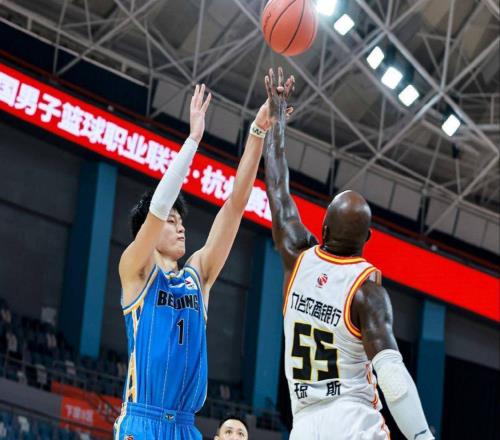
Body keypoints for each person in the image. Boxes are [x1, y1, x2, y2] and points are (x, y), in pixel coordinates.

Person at [263, 67, 434, 440]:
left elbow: (277, 186)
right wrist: (422, 436)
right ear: (367, 239)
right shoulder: (367, 293)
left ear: (323, 228)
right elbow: (392, 378)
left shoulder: (296, 254)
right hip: (353, 421)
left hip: (304, 425)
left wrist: (277, 121)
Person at [113, 83, 272, 439]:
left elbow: (235, 205)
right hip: (142, 421)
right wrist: (193, 140)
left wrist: (258, 131)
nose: (180, 227)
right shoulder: (135, 270)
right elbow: (158, 206)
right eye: (172, 222)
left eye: (181, 221)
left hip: (185, 426)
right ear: (150, 230)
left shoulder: (197, 276)